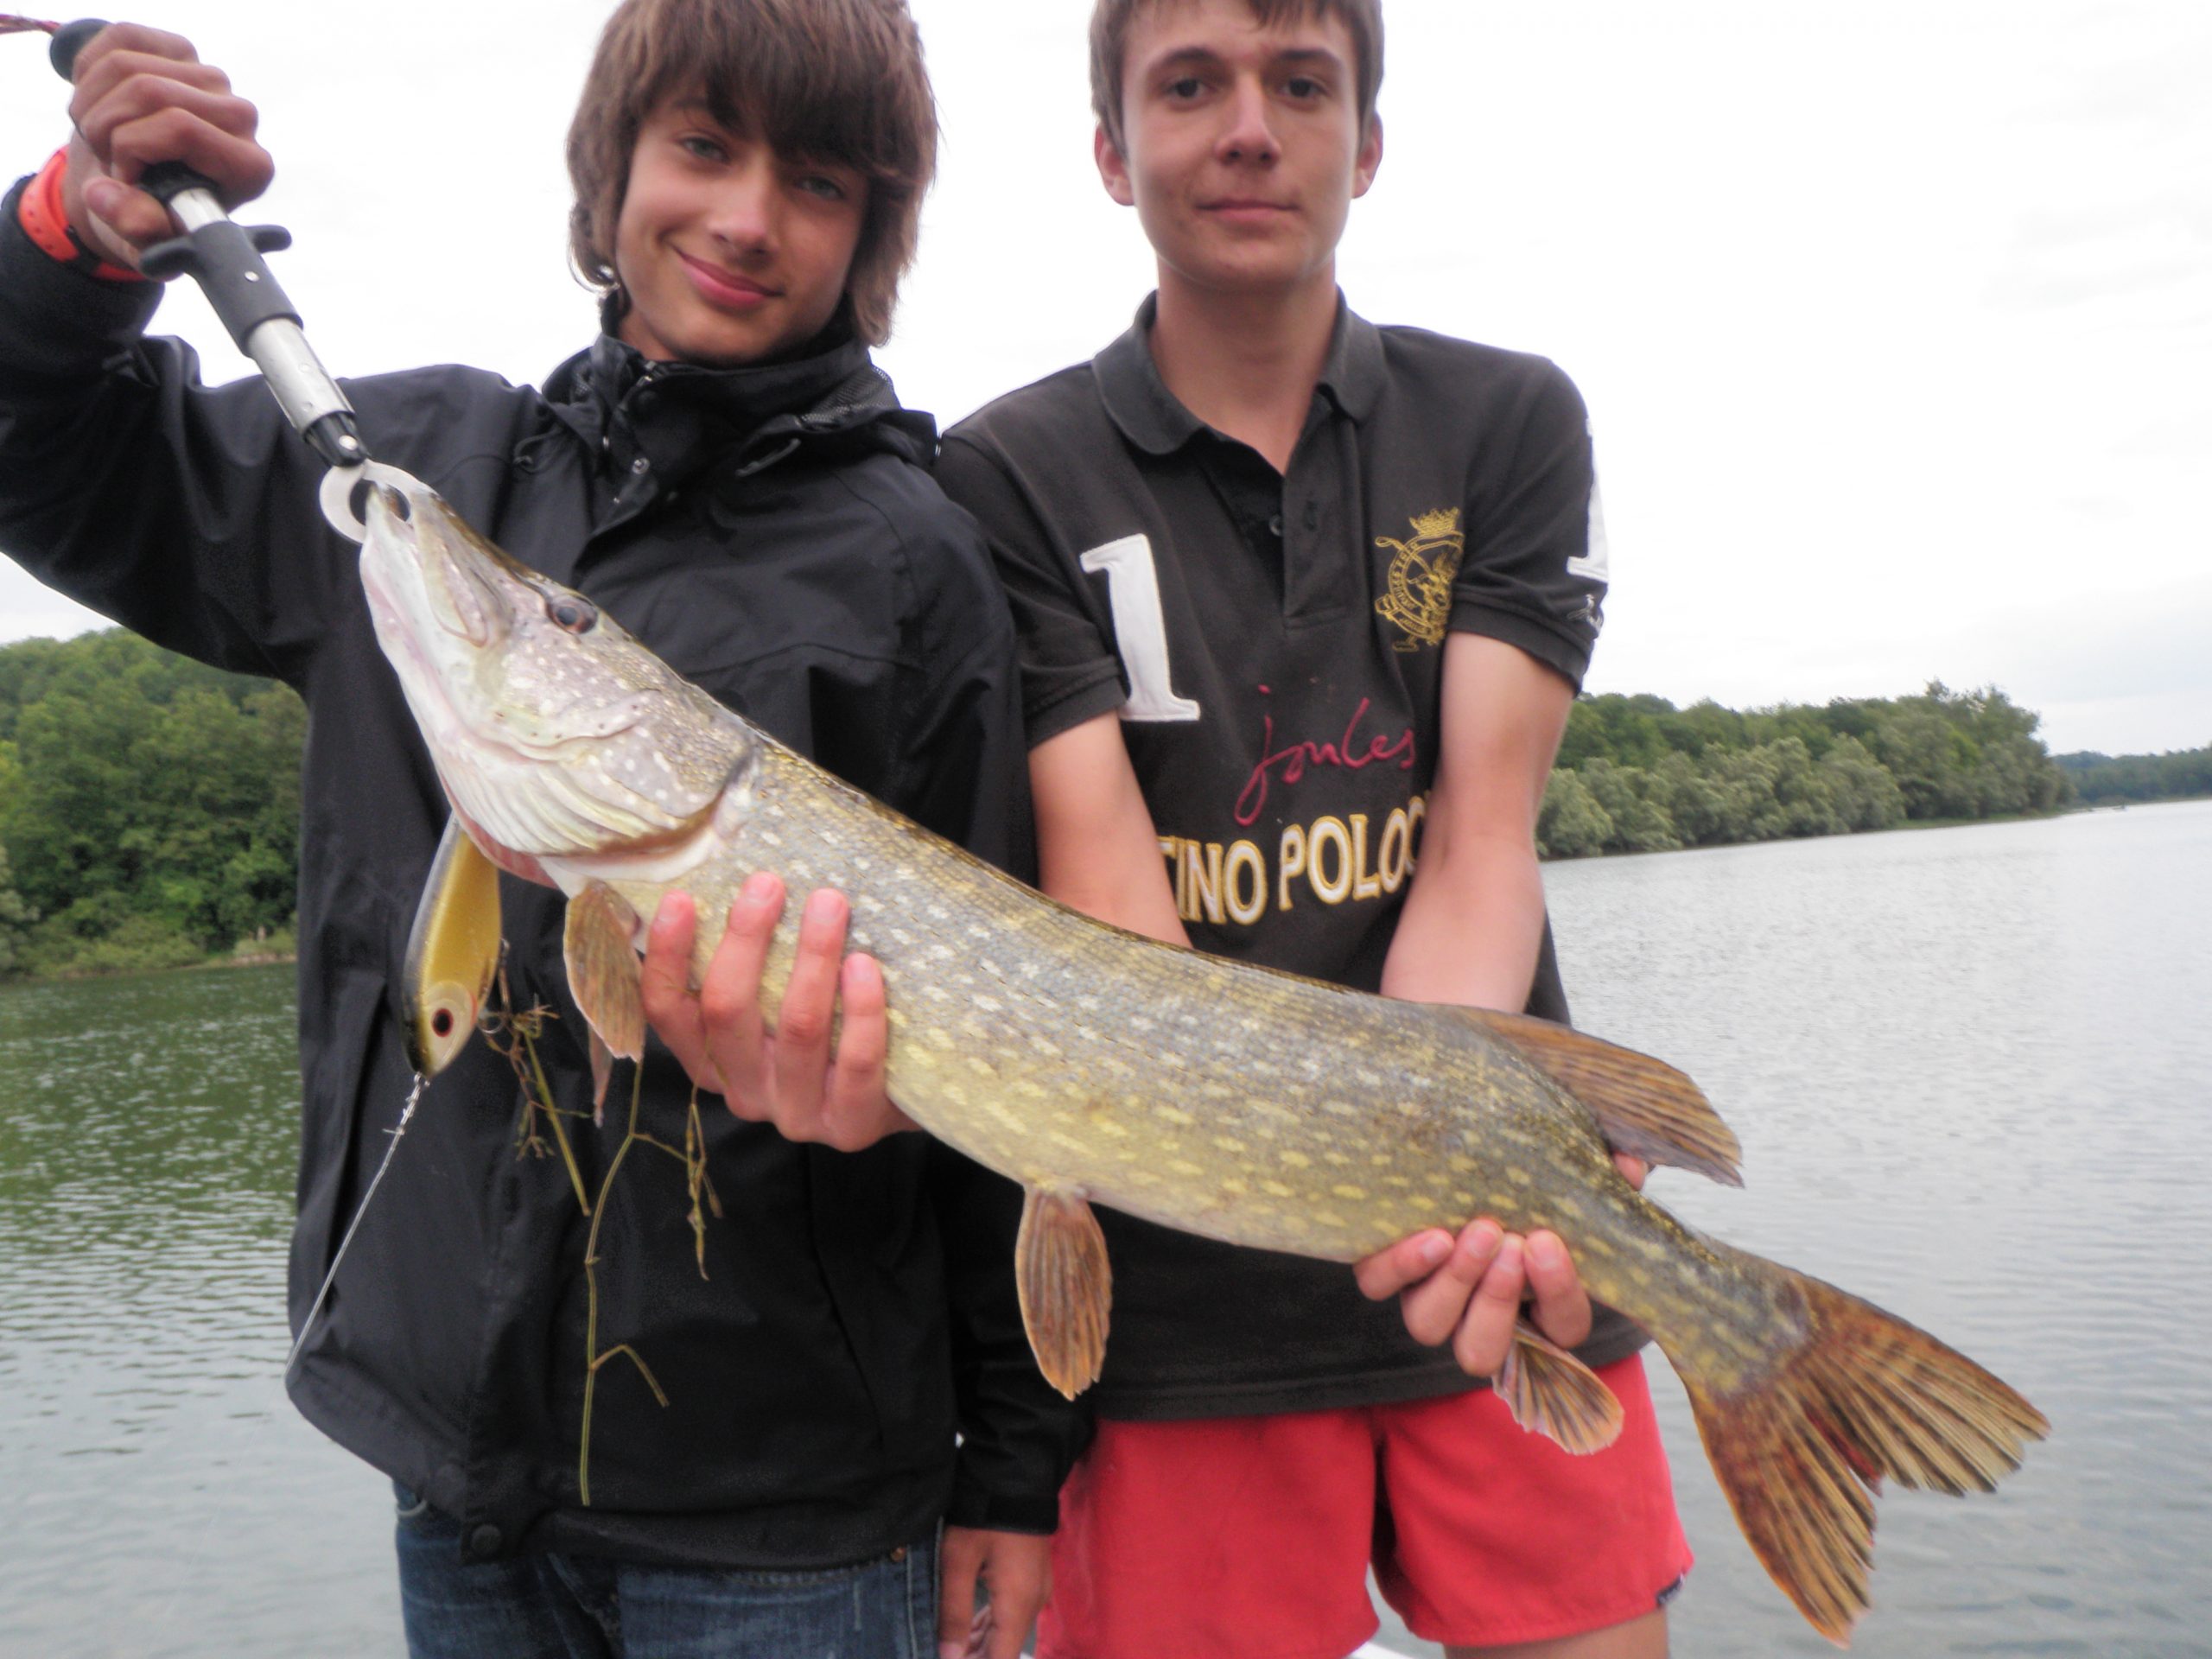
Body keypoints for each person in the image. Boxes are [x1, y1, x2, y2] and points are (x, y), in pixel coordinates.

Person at [0, 4, 1081, 1656]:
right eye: (704, 147)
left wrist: (1012, 1468)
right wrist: (66, 251)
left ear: (869, 237)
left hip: (786, 1517)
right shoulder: (419, 470)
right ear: (615, 170)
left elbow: (1028, 1039)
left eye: (817, 183)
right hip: (455, 1468)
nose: (743, 217)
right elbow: (53, 463)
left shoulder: (910, 564)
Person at [931, 3, 1694, 1656]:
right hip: (1180, 1330)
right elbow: (1103, 895)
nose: (1251, 129)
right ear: (1111, 150)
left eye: (1303, 83)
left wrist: (1450, 1181)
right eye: (1188, 85)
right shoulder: (1006, 473)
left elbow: (1482, 842)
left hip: (1502, 1273)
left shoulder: (1507, 423)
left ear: (1371, 137)